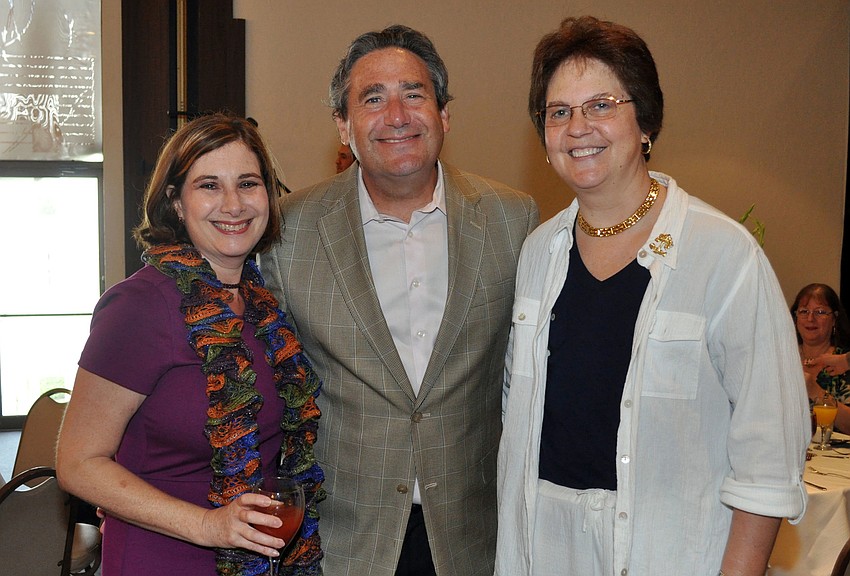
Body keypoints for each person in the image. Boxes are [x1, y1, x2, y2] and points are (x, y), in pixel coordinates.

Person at [495, 16, 809, 576]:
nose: (577, 127)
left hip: (670, 551)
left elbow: (769, 456)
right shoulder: (537, 254)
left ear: (645, 121)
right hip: (539, 547)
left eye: (600, 105)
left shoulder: (722, 256)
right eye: (558, 112)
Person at [261, 24, 538, 576]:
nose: (397, 116)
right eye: (372, 99)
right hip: (344, 538)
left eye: (414, 94)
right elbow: (267, 383)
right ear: (343, 126)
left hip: (472, 535)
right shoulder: (287, 231)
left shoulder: (514, 219)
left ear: (444, 115)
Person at [56, 113, 324, 576]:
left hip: (257, 560)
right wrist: (206, 525)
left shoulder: (265, 308)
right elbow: (78, 463)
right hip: (160, 557)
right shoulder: (140, 306)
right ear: (175, 202)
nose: (233, 204)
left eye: (248, 183)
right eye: (208, 186)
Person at [792, 283, 850, 432]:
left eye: (820, 312)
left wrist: (815, 392)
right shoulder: (781, 358)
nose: (810, 318)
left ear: (834, 319)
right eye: (804, 311)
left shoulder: (844, 363)